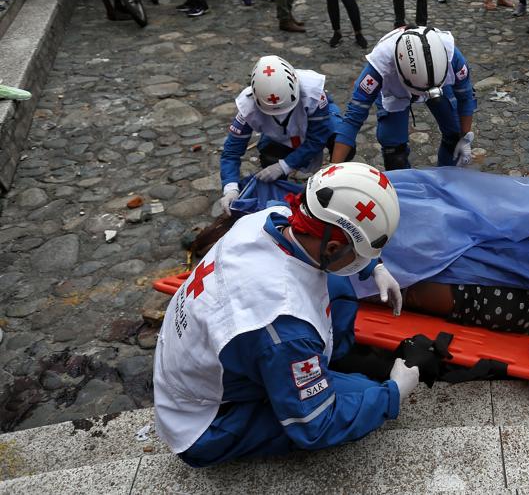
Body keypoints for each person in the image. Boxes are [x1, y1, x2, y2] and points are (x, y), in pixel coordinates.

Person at [154, 161, 417, 468]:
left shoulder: (269, 219)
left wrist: (375, 266)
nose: (359, 263)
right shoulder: (282, 324)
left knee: (338, 287)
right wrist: (394, 393)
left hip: (198, 367)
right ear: (332, 247)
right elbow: (317, 426)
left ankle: (317, 365)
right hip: (205, 422)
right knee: (364, 395)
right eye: (358, 256)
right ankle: (314, 374)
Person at [332, 26, 477, 171]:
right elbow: (352, 119)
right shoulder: (380, 66)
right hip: (395, 92)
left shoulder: (451, 55)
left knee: (454, 135)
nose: (422, 95)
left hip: (438, 85)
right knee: (394, 154)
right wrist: (332, 170)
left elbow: (465, 97)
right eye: (419, 91)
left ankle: (448, 179)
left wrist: (464, 139)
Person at [218, 55, 345, 213]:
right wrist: (230, 188)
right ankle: (280, 192)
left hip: (314, 124)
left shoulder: (314, 93)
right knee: (269, 157)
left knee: (343, 141)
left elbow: (317, 139)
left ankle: (336, 181)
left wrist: (284, 165)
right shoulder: (247, 108)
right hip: (280, 134)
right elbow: (231, 152)